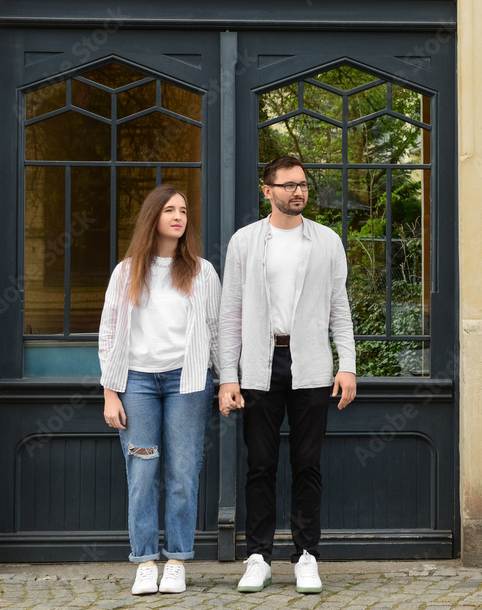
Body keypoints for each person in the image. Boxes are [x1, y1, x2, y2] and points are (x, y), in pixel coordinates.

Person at [218, 155, 356, 594]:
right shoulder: (244, 242)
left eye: (303, 185)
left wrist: (347, 364)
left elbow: (340, 308)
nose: (298, 191)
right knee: (260, 465)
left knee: (307, 464)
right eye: (289, 185)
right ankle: (257, 556)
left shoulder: (327, 241)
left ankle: (306, 556)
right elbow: (229, 314)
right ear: (268, 191)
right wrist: (228, 376)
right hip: (260, 364)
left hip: (311, 365)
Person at [98, 185, 220, 595]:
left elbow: (216, 332)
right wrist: (110, 392)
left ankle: (177, 561)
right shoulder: (126, 271)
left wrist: (227, 382)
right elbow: (109, 333)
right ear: (153, 217)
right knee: (142, 472)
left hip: (187, 382)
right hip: (136, 384)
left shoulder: (201, 271)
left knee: (183, 473)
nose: (178, 216)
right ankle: (145, 560)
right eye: (169, 209)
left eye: (183, 210)